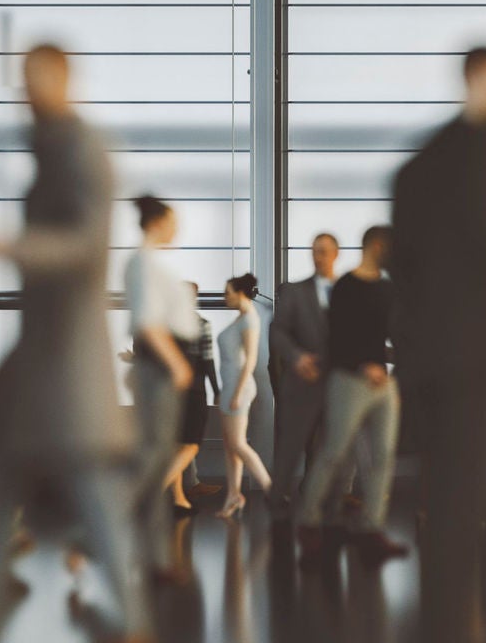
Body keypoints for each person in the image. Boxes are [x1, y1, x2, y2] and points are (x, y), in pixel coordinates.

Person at [0, 44, 151, 643]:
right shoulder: (51, 147)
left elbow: (88, 244)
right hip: (43, 358)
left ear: (63, 78)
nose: (25, 90)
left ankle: (132, 632)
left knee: (90, 498)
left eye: (34, 78)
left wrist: (10, 245)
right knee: (5, 490)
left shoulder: (80, 147)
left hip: (67, 361)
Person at [390, 46, 486, 643]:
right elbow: (483, 242)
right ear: (481, 78)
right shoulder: (477, 144)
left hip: (432, 358)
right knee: (462, 503)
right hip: (466, 357)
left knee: (447, 501)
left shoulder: (420, 164)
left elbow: (410, 266)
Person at [294, 225, 406, 564]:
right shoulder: (345, 287)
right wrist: (362, 366)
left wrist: (393, 371)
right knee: (335, 451)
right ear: (375, 246)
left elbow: (393, 334)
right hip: (349, 381)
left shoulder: (388, 289)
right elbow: (339, 338)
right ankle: (309, 521)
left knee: (384, 455)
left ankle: (371, 529)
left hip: (383, 385)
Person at [123, 195, 205, 538]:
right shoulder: (144, 264)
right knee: (156, 454)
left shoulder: (151, 263)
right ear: (156, 222)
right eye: (173, 221)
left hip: (167, 362)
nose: (177, 229)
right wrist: (178, 365)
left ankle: (157, 560)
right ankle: (96, 533)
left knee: (160, 452)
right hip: (162, 366)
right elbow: (148, 322)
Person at [269, 232, 339, 525]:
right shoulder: (295, 292)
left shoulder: (346, 291)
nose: (317, 256)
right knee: (292, 447)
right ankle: (277, 506)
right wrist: (297, 358)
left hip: (337, 382)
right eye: (313, 251)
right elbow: (277, 331)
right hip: (302, 382)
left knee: (332, 449)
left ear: (336, 254)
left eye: (323, 251)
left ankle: (323, 509)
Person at [214, 275, 272, 520]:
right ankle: (233, 496)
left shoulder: (250, 319)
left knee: (238, 443)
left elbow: (250, 359)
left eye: (228, 292)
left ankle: (272, 490)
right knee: (230, 447)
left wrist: (236, 393)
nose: (224, 297)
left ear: (240, 293)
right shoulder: (240, 317)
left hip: (239, 388)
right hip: (229, 386)